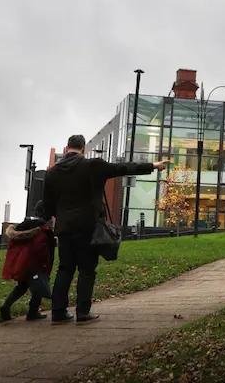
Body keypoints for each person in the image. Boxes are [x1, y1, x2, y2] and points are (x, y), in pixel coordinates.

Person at [43, 134, 166, 325]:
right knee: (87, 270)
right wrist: (152, 165)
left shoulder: (52, 173)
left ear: (67, 148)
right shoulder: (93, 166)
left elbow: (47, 207)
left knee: (65, 269)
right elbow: (122, 168)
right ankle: (83, 313)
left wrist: (60, 216)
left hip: (65, 228)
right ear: (83, 149)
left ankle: (58, 312)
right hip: (89, 227)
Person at [0, 201, 55, 321]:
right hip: (35, 264)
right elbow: (42, 249)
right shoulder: (43, 229)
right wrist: (46, 265)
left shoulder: (22, 226)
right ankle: (33, 312)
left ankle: (6, 305)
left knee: (22, 286)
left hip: (22, 262)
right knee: (39, 286)